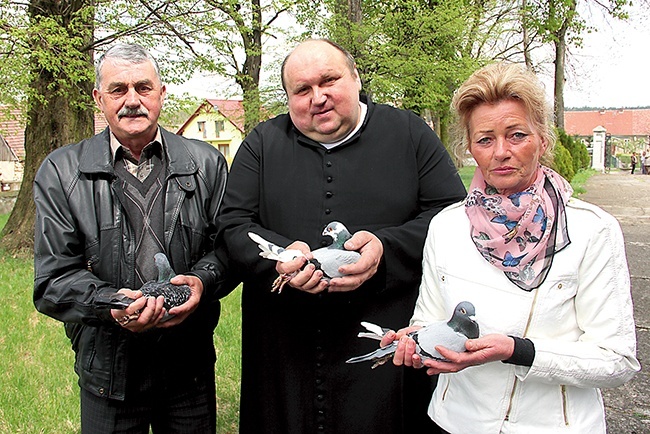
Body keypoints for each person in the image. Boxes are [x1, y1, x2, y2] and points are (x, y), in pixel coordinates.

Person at [216, 38, 467, 433]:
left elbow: (453, 216)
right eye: (302, 89)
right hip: (285, 349)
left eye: (329, 80)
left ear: (355, 78)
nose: (318, 97)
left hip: (386, 340)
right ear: (288, 98)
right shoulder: (262, 144)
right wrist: (282, 256)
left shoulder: (409, 134)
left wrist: (385, 248)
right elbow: (232, 223)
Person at [381, 62, 640, 433]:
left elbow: (616, 361)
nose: (500, 152)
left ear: (544, 139)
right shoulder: (447, 226)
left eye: (516, 135)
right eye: (485, 139)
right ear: (470, 148)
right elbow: (429, 316)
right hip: (456, 423)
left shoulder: (591, 230)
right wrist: (416, 341)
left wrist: (517, 351)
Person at [33, 43, 234, 433]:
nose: (131, 101)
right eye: (118, 89)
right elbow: (52, 280)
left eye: (143, 88)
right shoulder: (61, 171)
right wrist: (113, 304)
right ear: (98, 98)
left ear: (161, 93)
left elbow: (227, 249)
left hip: (188, 367)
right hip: (108, 369)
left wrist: (202, 280)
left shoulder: (207, 163)